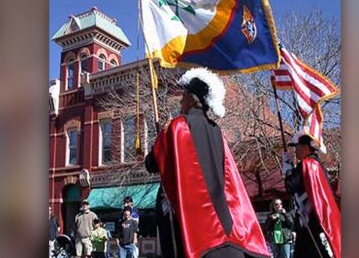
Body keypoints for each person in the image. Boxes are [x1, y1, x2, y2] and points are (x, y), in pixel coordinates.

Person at [145, 67, 270, 258]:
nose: (181, 100)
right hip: (225, 228)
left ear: (193, 98)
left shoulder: (177, 126)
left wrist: (161, 136)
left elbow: (151, 164)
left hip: (193, 230)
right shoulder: (217, 131)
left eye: (184, 94)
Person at [283, 131, 341, 258]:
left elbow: (290, 187)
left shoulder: (305, 165)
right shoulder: (319, 165)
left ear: (305, 148)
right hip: (317, 218)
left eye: (297, 148)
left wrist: (287, 170)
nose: (295, 151)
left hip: (308, 220)